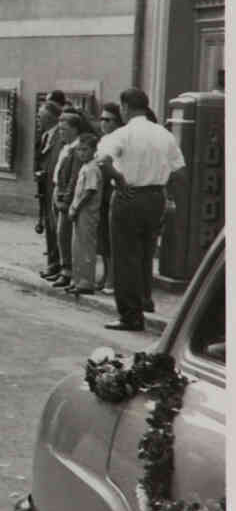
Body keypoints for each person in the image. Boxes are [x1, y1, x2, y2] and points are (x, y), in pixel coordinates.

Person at [96, 88, 186, 331]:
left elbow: (103, 161)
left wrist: (119, 178)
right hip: (155, 197)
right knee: (146, 253)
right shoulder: (164, 134)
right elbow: (179, 170)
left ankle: (130, 315)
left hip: (129, 196)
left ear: (125, 107)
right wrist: (166, 195)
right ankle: (145, 300)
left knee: (125, 257)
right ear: (146, 107)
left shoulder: (123, 134)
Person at [50, 110, 84, 288]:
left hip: (66, 196)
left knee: (65, 234)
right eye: (60, 129)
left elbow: (74, 177)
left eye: (64, 129)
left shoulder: (77, 150)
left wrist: (65, 199)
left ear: (74, 129)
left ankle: (67, 271)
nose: (61, 132)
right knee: (58, 232)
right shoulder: (66, 147)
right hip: (58, 191)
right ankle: (62, 267)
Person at [66, 133, 102, 295]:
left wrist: (76, 208)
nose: (81, 153)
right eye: (79, 150)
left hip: (87, 213)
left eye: (85, 149)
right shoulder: (85, 166)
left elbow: (89, 191)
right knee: (77, 246)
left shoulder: (93, 168)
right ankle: (78, 279)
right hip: (80, 213)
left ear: (94, 150)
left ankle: (87, 281)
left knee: (86, 246)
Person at [96, 102, 124, 293]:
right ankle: (106, 275)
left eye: (108, 119)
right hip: (100, 189)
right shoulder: (103, 140)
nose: (103, 123)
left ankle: (112, 280)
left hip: (111, 188)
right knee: (102, 238)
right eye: (102, 119)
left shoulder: (118, 139)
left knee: (110, 237)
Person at [35, 99, 64, 280]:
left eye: (41, 117)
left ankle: (57, 265)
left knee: (56, 228)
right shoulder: (46, 135)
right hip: (45, 186)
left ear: (51, 117)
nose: (38, 120)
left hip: (55, 187)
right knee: (49, 226)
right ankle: (52, 264)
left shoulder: (60, 137)